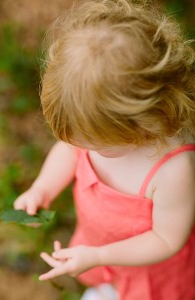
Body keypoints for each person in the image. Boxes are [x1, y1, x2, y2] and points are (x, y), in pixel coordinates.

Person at [14, 0, 195, 299]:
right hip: (97, 247)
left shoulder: (173, 170)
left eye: (94, 145)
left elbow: (166, 239)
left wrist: (99, 256)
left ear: (145, 122)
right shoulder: (101, 132)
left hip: (149, 273)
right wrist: (41, 189)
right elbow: (68, 152)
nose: (83, 150)